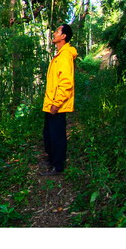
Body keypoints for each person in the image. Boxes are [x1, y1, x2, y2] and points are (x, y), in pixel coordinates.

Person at [40, 23, 77, 176]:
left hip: (57, 105)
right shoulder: (59, 55)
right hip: (51, 103)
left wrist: (56, 103)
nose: (54, 33)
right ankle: (52, 161)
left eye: (57, 31)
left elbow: (66, 83)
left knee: (57, 136)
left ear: (63, 36)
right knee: (48, 135)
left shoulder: (65, 55)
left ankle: (58, 167)